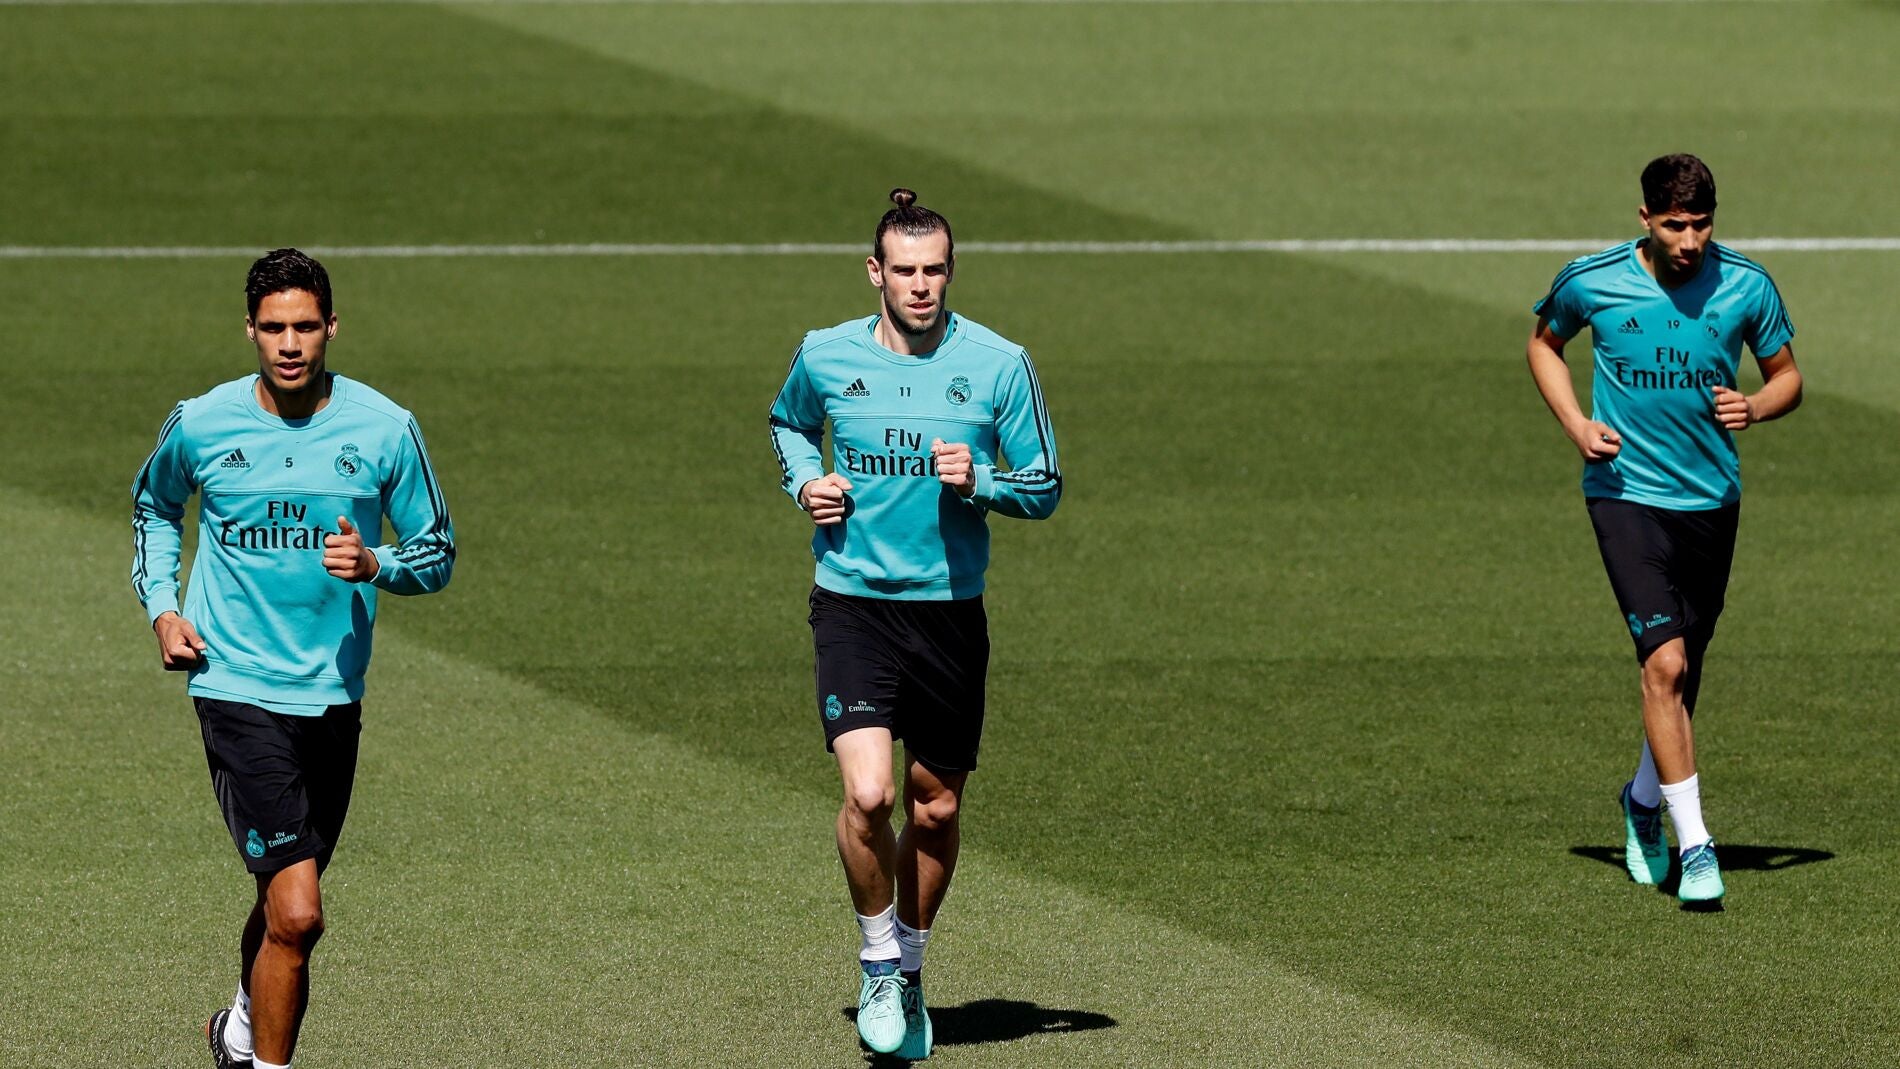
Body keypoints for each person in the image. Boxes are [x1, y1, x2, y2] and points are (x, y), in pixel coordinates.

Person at [132, 248, 456, 1068]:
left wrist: (380, 563)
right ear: (249, 330)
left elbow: (439, 549)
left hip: (333, 696)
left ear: (331, 328)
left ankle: (238, 1028)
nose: (289, 343)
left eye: (305, 326)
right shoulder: (202, 422)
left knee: (284, 897)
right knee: (303, 909)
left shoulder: (385, 429)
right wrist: (165, 610)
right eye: (273, 327)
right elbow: (155, 504)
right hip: (234, 685)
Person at [768, 189, 1062, 1056]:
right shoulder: (825, 356)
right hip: (854, 603)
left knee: (933, 810)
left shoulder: (1000, 364)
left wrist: (983, 483)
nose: (921, 285)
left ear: (950, 272)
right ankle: (876, 961)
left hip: (949, 617)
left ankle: (912, 966)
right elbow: (788, 423)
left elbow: (1044, 484)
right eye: (905, 270)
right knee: (870, 794)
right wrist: (804, 483)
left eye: (935, 270)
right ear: (876, 274)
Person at [1526, 155, 1801, 905]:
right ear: (1645, 218)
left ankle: (1642, 803)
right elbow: (1543, 345)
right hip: (1625, 494)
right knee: (1665, 666)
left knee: (1686, 670)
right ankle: (1698, 847)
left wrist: (1758, 406)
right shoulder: (1593, 279)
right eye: (1675, 225)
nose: (1690, 240)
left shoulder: (1747, 285)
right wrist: (1577, 424)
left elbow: (1788, 376)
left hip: (1711, 499)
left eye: (1702, 225)